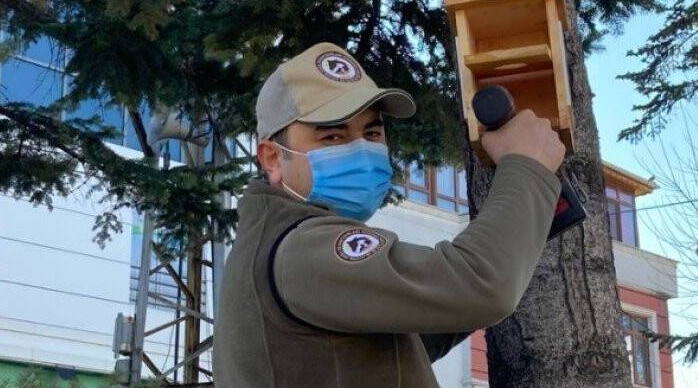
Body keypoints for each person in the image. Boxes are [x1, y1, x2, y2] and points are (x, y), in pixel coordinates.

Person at [212, 42, 565, 387]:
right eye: (332, 137)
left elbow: (393, 348)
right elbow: (482, 284)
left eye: (372, 132)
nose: (361, 150)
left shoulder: (276, 245)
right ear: (273, 158)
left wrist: (517, 232)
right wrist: (527, 165)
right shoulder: (299, 248)